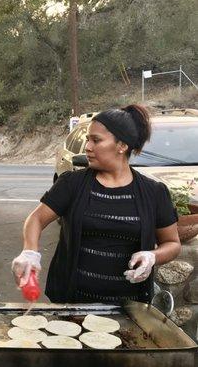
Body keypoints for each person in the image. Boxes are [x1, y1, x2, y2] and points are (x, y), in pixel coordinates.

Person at [12, 105, 181, 303]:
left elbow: (172, 244)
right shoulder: (72, 184)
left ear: (122, 145)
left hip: (129, 308)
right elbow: (37, 218)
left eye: (96, 140)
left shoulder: (153, 193)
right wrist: (29, 251)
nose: (88, 147)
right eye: (88, 140)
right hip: (72, 303)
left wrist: (153, 256)